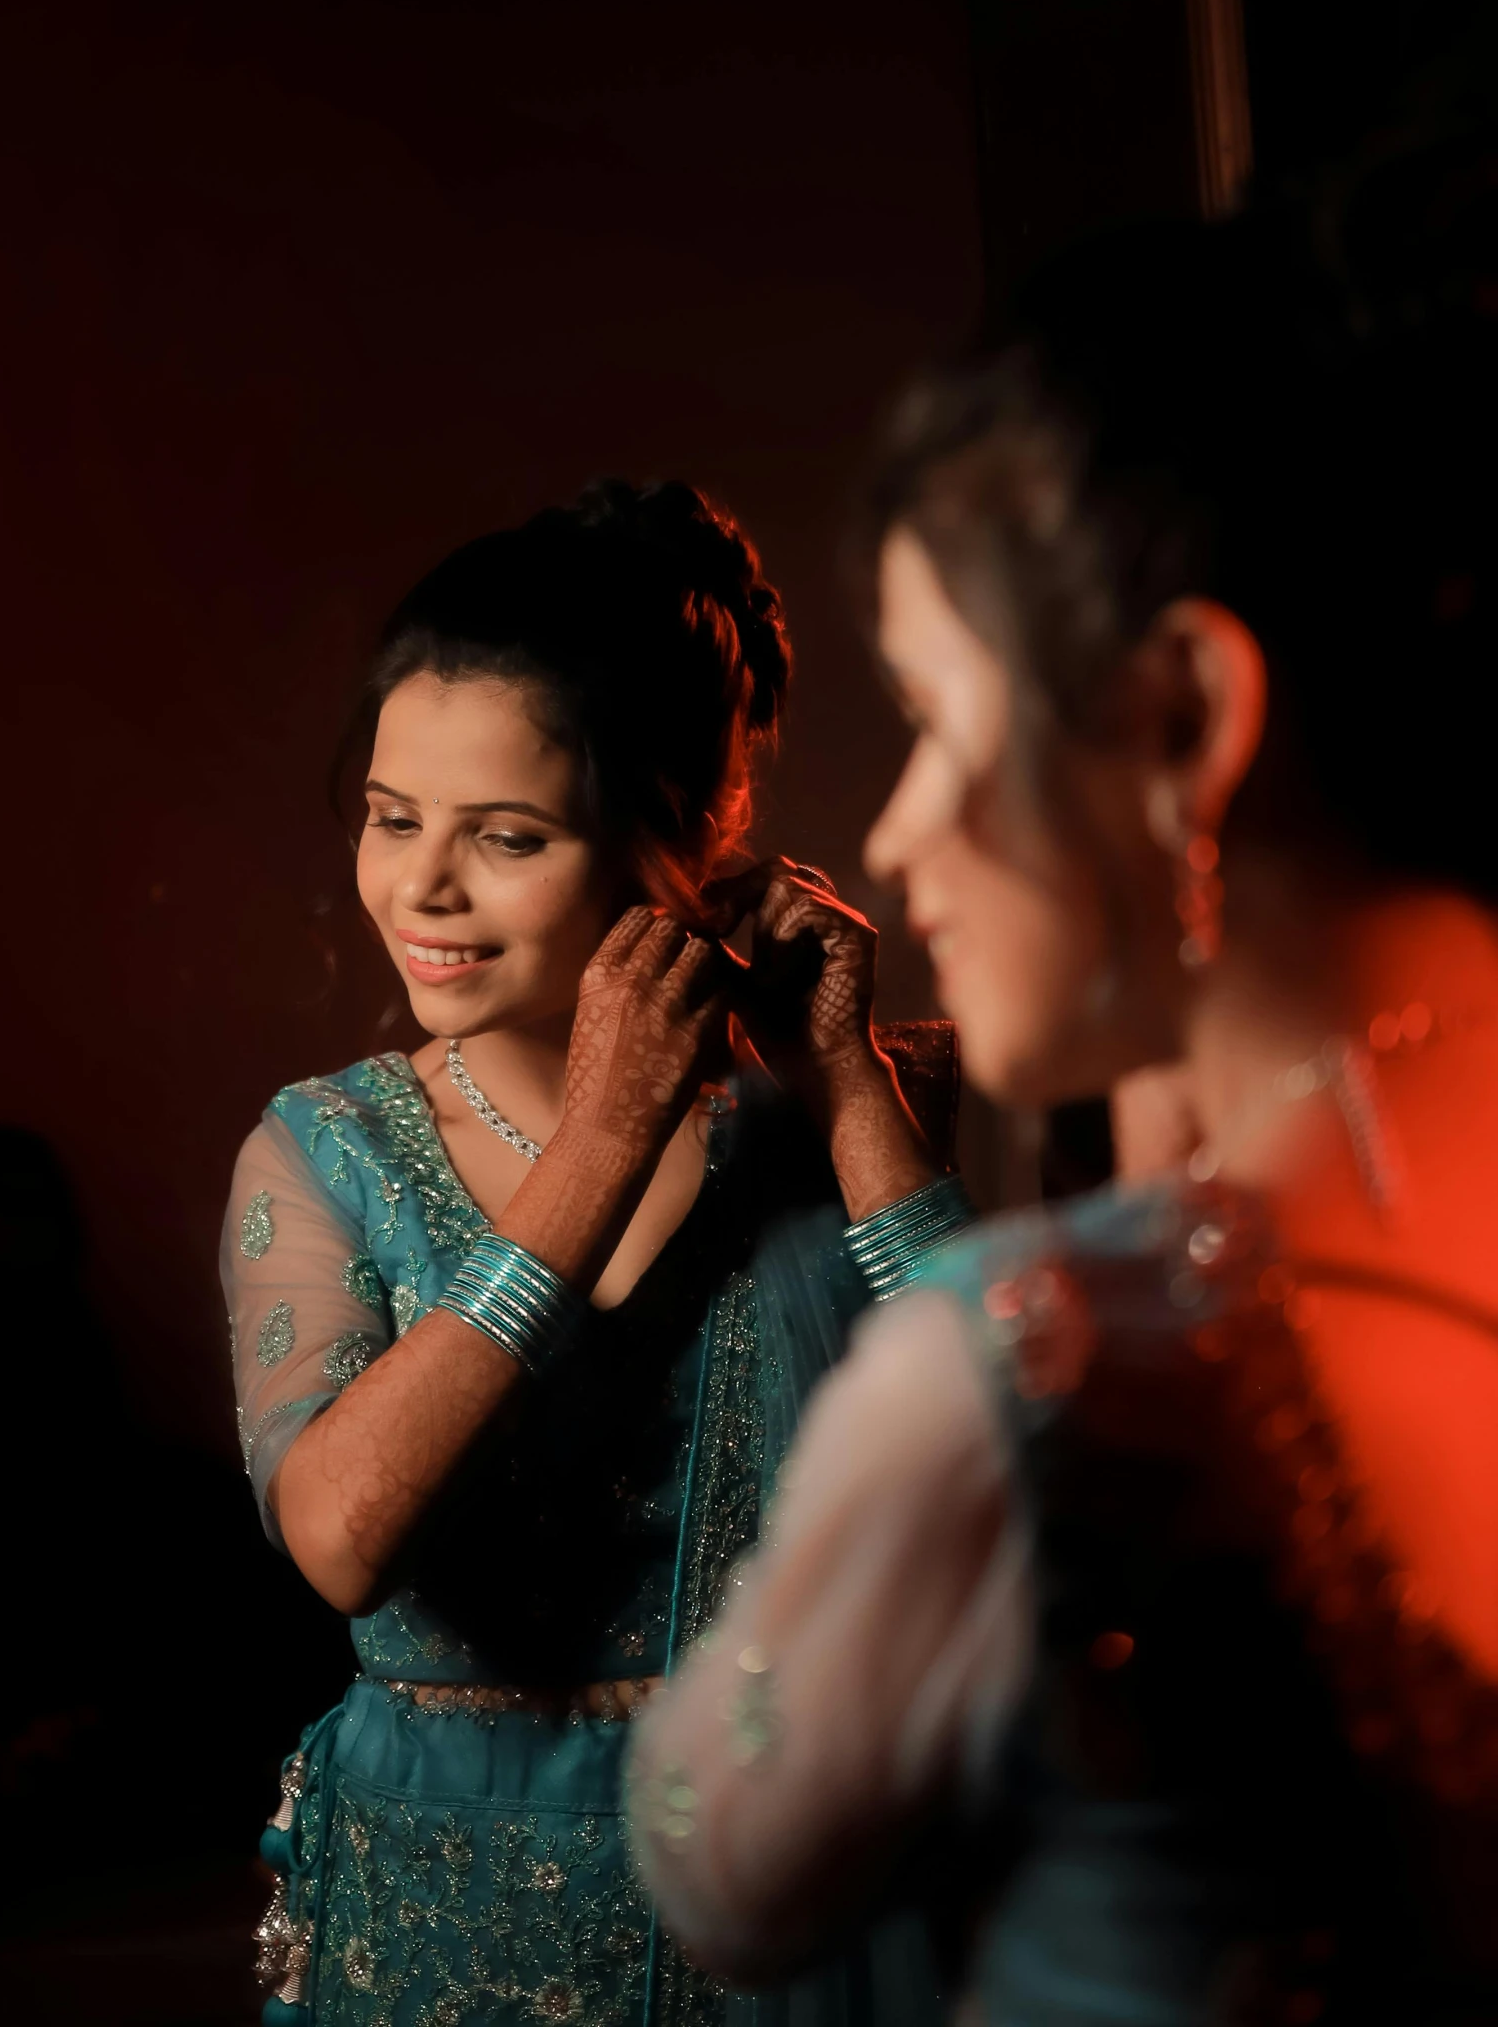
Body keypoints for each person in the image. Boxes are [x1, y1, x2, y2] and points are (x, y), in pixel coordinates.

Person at [627, 150, 1498, 2024]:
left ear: (1185, 714)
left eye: (943, 720)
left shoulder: (1031, 1370)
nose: (896, 826)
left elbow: (724, 1859)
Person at [221, 481, 963, 2027]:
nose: (422, 888)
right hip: (437, 1942)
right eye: (388, 815)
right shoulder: (323, 1149)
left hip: (778, 1917)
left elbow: (1017, 1450)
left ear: (676, 844)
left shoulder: (840, 1110)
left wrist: (842, 1091)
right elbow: (342, 1537)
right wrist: (595, 1153)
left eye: (505, 835)